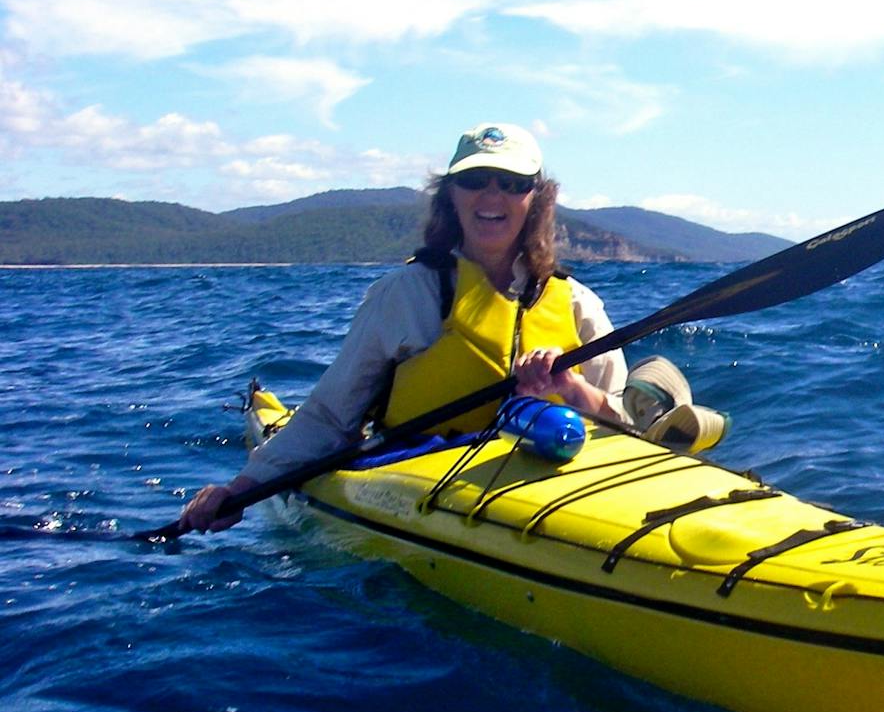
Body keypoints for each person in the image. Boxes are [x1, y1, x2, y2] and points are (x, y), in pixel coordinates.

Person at [179, 121, 627, 532]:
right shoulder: (404, 295)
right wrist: (239, 490)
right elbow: (331, 417)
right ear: (450, 196)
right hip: (427, 487)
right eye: (475, 180)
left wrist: (572, 389)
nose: (492, 196)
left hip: (570, 494)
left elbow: (626, 421)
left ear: (536, 199)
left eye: (512, 184)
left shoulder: (577, 303)